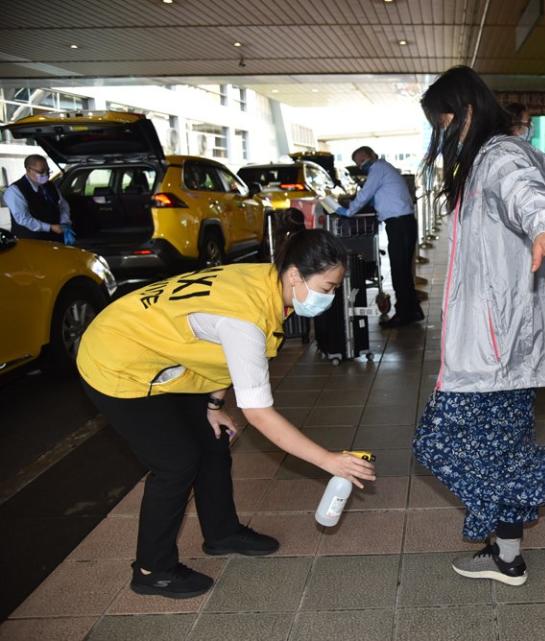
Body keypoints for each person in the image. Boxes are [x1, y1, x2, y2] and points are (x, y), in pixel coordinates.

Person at [76, 229, 376, 599]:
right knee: (176, 463)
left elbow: (218, 351)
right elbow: (259, 413)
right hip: (115, 360)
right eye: (327, 287)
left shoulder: (266, 280)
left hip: (160, 353)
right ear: (296, 275)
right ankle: (153, 570)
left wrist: (213, 406)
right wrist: (328, 460)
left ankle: (220, 533)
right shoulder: (246, 318)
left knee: (212, 442)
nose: (329, 297)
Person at [413, 66, 545, 587]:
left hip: (494, 344)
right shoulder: (486, 161)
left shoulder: (499, 156)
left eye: (444, 118)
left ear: (466, 110)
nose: (442, 130)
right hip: (508, 336)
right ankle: (507, 558)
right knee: (504, 450)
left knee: (438, 443)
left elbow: (531, 199)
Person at [336, 146, 424, 328]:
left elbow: (366, 193)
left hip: (399, 225)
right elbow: (375, 196)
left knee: (399, 271)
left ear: (371, 156)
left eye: (361, 160)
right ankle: (413, 311)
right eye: (357, 163)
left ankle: (403, 315)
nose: (360, 165)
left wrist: (348, 211)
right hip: (403, 223)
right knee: (403, 271)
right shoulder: (384, 168)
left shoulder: (378, 168)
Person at [2, 154, 73, 242]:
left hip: (55, 239)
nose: (46, 175)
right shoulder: (15, 191)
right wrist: (50, 227)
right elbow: (24, 219)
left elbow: (63, 204)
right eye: (41, 171)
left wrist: (64, 221)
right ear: (29, 170)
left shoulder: (50, 185)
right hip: (30, 242)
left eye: (48, 171)